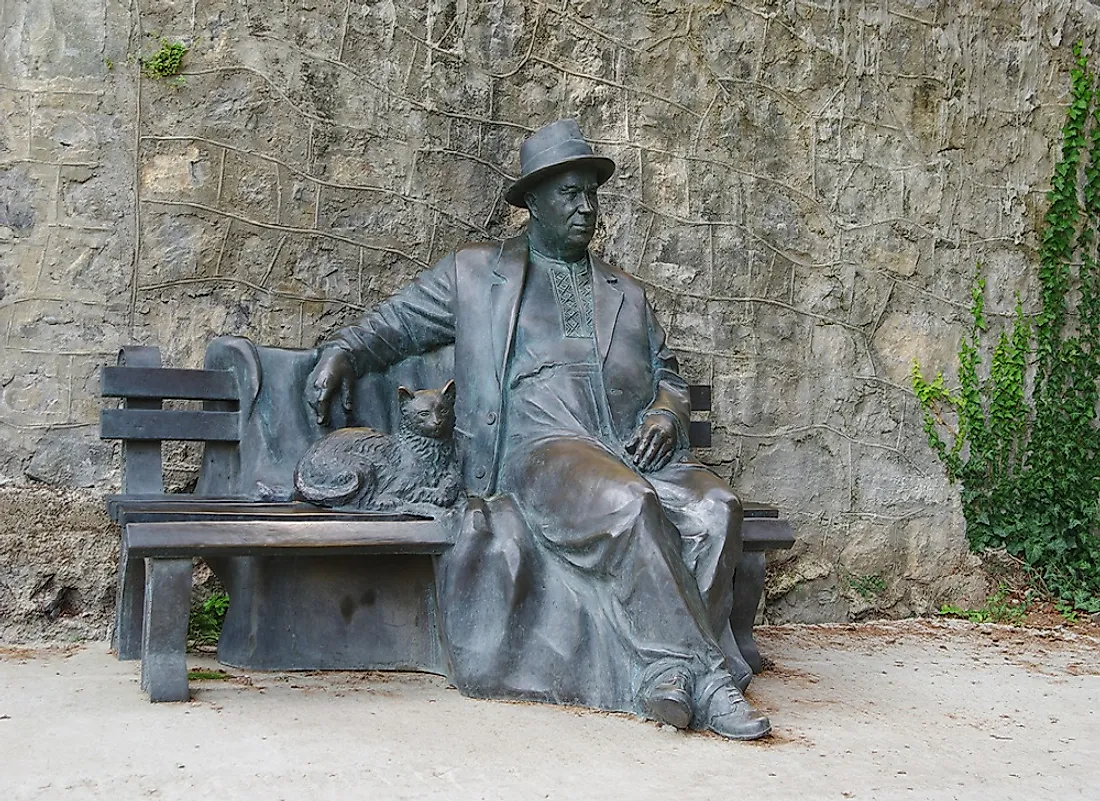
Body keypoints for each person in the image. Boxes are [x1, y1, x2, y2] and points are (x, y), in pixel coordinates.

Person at [307, 119, 771, 740]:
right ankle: (701, 677)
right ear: (531, 202)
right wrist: (341, 350)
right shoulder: (474, 275)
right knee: (626, 505)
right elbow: (394, 326)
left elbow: (671, 375)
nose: (585, 207)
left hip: (628, 446)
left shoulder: (625, 293)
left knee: (717, 508)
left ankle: (666, 678)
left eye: (592, 194)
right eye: (569, 194)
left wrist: (666, 411)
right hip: (538, 450)